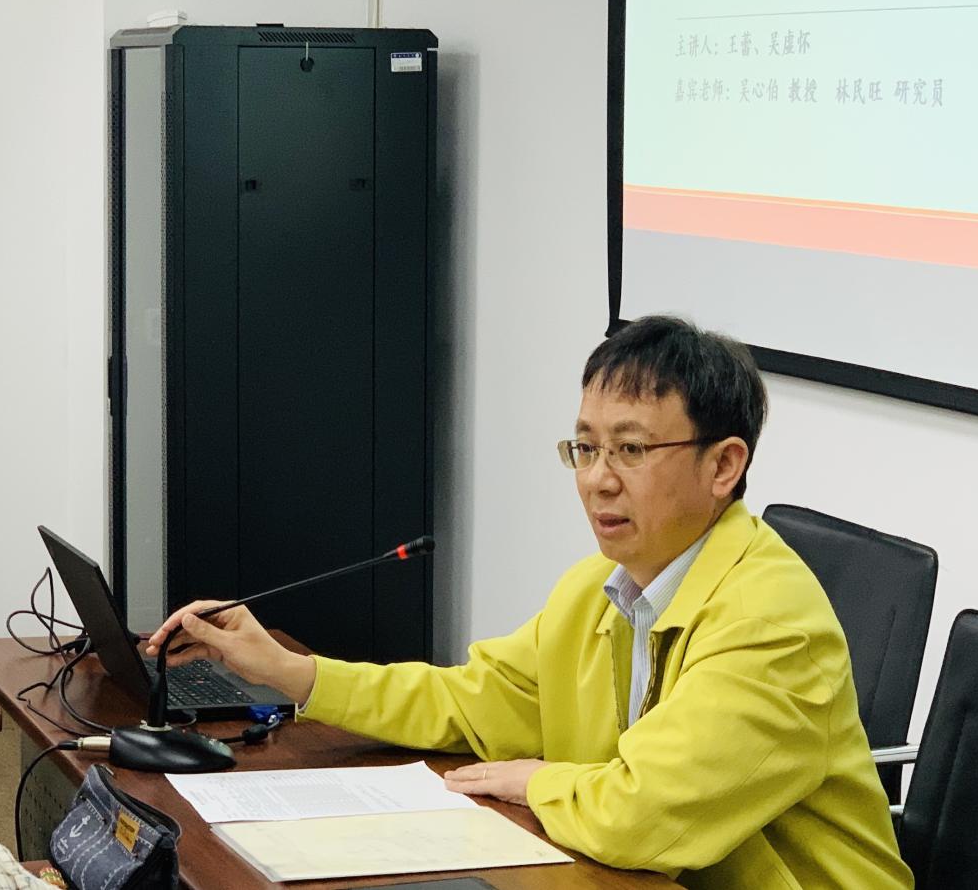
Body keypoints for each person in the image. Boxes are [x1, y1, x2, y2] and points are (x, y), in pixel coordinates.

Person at [148, 315, 913, 889]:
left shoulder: (773, 621)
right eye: (586, 447)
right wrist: (291, 671)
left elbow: (641, 813)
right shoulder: (597, 591)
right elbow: (469, 703)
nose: (598, 478)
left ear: (724, 465)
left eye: (632, 449)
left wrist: (534, 779)